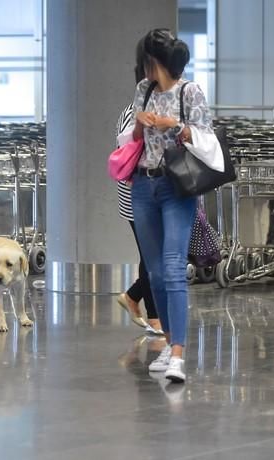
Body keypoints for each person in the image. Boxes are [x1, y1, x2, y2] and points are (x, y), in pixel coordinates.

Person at [130, 29, 222, 383]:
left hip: (177, 188)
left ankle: (179, 355)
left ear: (156, 60)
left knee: (172, 269)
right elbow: (136, 140)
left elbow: (205, 138)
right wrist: (140, 125)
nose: (144, 67)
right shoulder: (144, 90)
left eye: (146, 60)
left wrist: (175, 125)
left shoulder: (190, 91)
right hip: (142, 185)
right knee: (153, 274)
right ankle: (169, 343)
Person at [115, 41, 163, 336]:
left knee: (152, 254)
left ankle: (133, 297)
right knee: (152, 256)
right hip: (139, 193)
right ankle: (153, 315)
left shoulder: (133, 111)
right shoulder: (137, 114)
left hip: (142, 193)